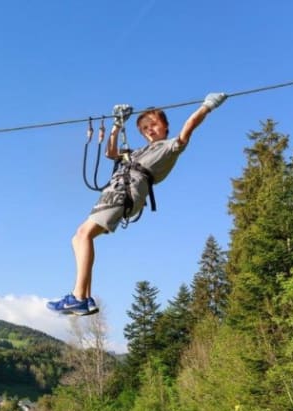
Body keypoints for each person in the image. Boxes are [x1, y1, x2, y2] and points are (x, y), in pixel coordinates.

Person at [47, 92, 227, 316]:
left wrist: (207, 106)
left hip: (127, 192)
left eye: (153, 124)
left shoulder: (170, 146)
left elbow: (188, 128)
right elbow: (110, 152)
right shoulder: (138, 152)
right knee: (78, 237)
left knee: (84, 234)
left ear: (165, 126)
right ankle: (85, 297)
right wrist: (116, 126)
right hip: (116, 191)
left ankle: (79, 297)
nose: (149, 130)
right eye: (144, 128)